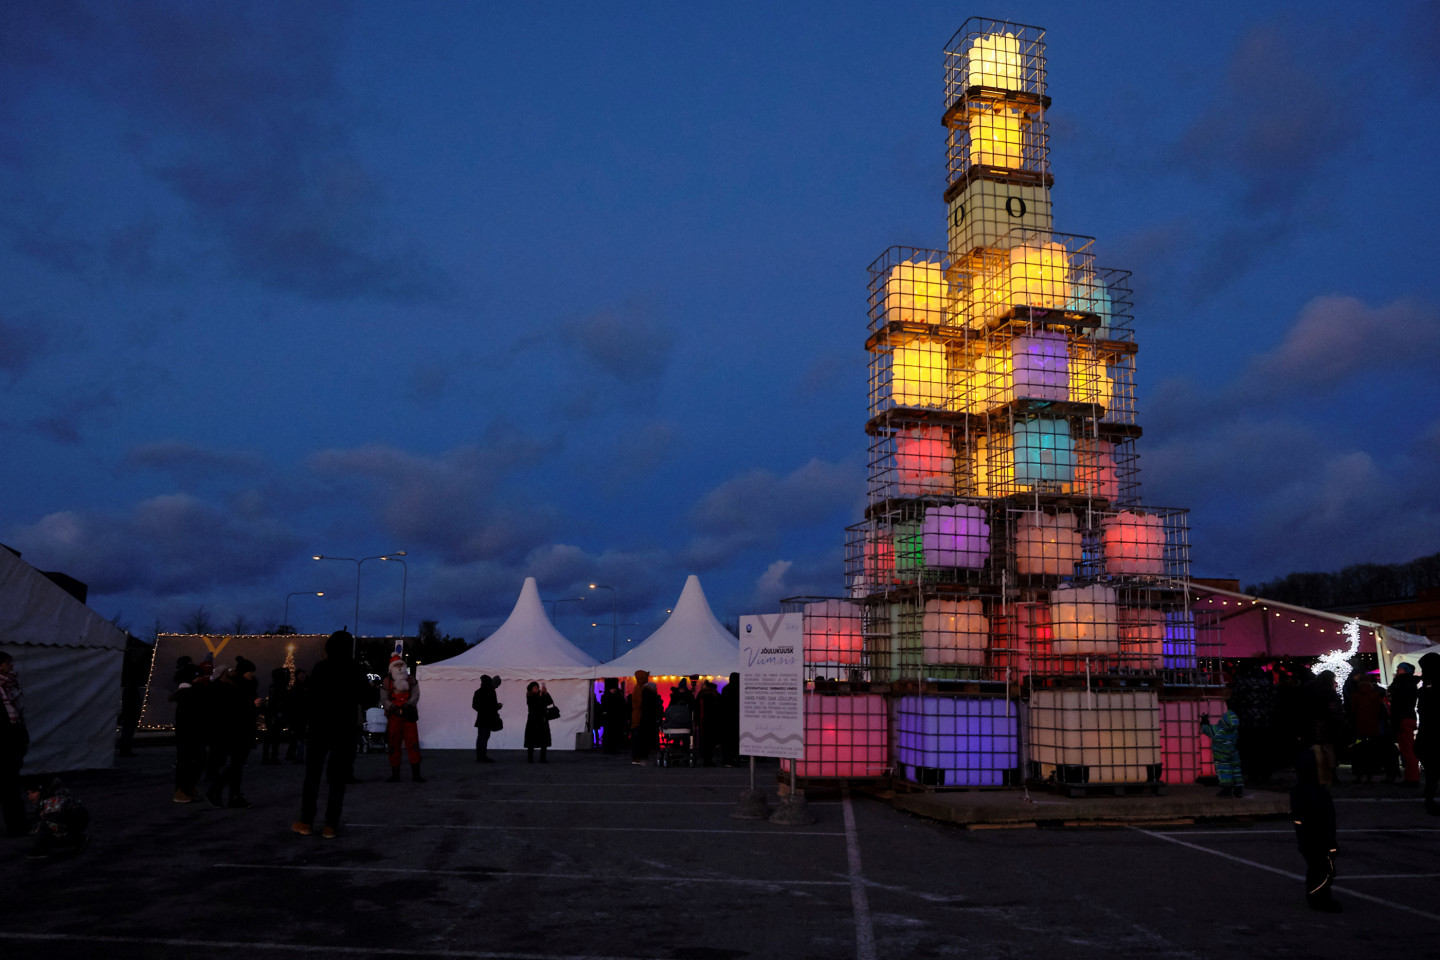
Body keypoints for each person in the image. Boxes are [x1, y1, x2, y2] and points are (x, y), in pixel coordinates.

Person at [293, 630, 372, 839]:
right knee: (338, 779)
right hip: (344, 727)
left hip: (320, 726)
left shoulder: (321, 667)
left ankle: (307, 821)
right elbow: (366, 697)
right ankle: (330, 825)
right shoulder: (355, 668)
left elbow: (311, 697)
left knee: (312, 775)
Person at [204, 657, 259, 809]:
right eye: (250, 672)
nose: (252, 674)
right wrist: (252, 705)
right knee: (236, 765)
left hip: (239, 731)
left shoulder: (239, 686)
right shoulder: (237, 688)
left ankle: (233, 795)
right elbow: (235, 710)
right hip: (238, 731)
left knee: (237, 766)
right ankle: (218, 791)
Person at [1291, 746, 1340, 912]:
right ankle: (1319, 898)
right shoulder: (1315, 793)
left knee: (1319, 868)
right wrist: (1330, 842)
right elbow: (1323, 820)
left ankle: (1318, 897)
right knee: (1322, 869)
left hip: (1310, 837)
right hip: (1317, 838)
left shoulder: (1302, 790)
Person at [169, 659, 208, 803]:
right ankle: (182, 790)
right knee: (187, 761)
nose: (200, 679)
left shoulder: (191, 692)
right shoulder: (189, 692)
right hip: (188, 732)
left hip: (192, 732)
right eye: (198, 677)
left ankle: (188, 787)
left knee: (196, 760)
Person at [0, 650, 30, 837]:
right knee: (9, 787)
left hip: (12, 743)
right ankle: (16, 825)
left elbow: (18, 716)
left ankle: (18, 823)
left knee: (11, 786)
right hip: (5, 745)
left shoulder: (10, 687)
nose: (11, 666)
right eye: (7, 663)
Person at [381, 652, 424, 783]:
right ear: (391, 668)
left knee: (413, 743)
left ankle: (416, 774)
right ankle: (395, 774)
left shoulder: (411, 680)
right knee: (394, 744)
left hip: (408, 715)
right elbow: (384, 698)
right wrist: (392, 707)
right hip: (394, 716)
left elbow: (416, 694)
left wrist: (408, 704)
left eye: (401, 665)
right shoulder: (387, 681)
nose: (399, 668)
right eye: (396, 665)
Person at [1300, 669, 1346, 786]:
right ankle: (1329, 776)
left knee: (1315, 752)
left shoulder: (1309, 690)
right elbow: (1335, 710)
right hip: (1327, 726)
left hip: (1311, 725)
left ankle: (1316, 776)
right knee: (1328, 752)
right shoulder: (1329, 693)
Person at [25, 777, 89, 860]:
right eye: (28, 793)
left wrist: (37, 846)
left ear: (42, 791)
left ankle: (78, 840)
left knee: (49, 826)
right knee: (45, 826)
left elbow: (51, 821)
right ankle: (76, 840)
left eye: (33, 792)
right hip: (72, 818)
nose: (30, 796)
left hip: (77, 819)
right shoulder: (46, 798)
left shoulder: (53, 800)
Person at [1346, 672, 1391, 783]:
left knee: (1359, 748)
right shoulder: (1375, 694)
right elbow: (1380, 711)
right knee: (1372, 749)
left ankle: (1359, 772)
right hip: (1373, 726)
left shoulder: (1355, 694)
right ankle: (1372, 770)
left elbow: (1351, 711)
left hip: (1359, 726)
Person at [1200, 704, 1243, 797]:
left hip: (1221, 755)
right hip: (1233, 753)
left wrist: (1204, 720)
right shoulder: (1235, 731)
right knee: (1236, 770)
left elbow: (1205, 729)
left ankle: (1227, 790)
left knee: (1224, 771)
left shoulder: (1217, 730)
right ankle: (1239, 790)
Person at [1390, 661, 1421, 786]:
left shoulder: (1402, 683)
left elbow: (1399, 702)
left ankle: (1412, 777)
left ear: (1405, 670)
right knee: (1407, 748)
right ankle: (1411, 776)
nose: (1397, 670)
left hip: (1403, 717)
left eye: (1399, 668)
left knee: (1407, 749)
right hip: (1406, 717)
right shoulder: (1408, 683)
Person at [1417, 652, 1440, 816]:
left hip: (1429, 733)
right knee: (1433, 770)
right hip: (1432, 733)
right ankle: (1429, 799)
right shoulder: (1428, 687)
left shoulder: (1426, 688)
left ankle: (1429, 799)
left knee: (1432, 771)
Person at [260, 667, 291, 765]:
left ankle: (267, 757)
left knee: (270, 737)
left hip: (272, 714)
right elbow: (277, 702)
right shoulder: (280, 687)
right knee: (275, 737)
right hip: (276, 715)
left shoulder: (273, 686)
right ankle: (272, 757)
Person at [472, 675, 502, 763]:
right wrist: (497, 707)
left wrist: (482, 710)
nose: (497, 687)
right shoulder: (491, 692)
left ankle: (479, 756)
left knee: (480, 737)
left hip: (481, 718)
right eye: (497, 685)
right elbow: (492, 706)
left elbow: (474, 706)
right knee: (484, 737)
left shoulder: (478, 692)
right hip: (488, 718)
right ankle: (483, 757)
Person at [525, 681, 555, 763]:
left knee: (544, 739)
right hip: (533, 721)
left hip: (542, 720)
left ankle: (543, 758)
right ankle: (530, 758)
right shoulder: (529, 695)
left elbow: (549, 702)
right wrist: (541, 695)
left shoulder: (541, 694)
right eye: (535, 687)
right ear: (531, 688)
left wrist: (546, 693)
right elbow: (535, 705)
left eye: (537, 687)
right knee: (531, 740)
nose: (537, 688)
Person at [599, 679, 628, 755]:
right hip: (610, 719)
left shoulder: (617, 697)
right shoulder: (607, 697)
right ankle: (608, 748)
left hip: (615, 718)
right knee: (609, 734)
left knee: (614, 734)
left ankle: (613, 748)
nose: (614, 690)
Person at [696, 680, 721, 767]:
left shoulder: (701, 695)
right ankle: (709, 759)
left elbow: (697, 708)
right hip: (713, 721)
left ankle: (705, 759)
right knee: (711, 741)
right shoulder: (715, 695)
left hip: (702, 721)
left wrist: (696, 721)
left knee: (704, 741)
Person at [719, 672, 741, 766]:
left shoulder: (725, 689)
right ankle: (733, 758)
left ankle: (727, 759)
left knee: (727, 740)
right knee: (734, 740)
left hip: (726, 718)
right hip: (735, 718)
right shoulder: (738, 689)